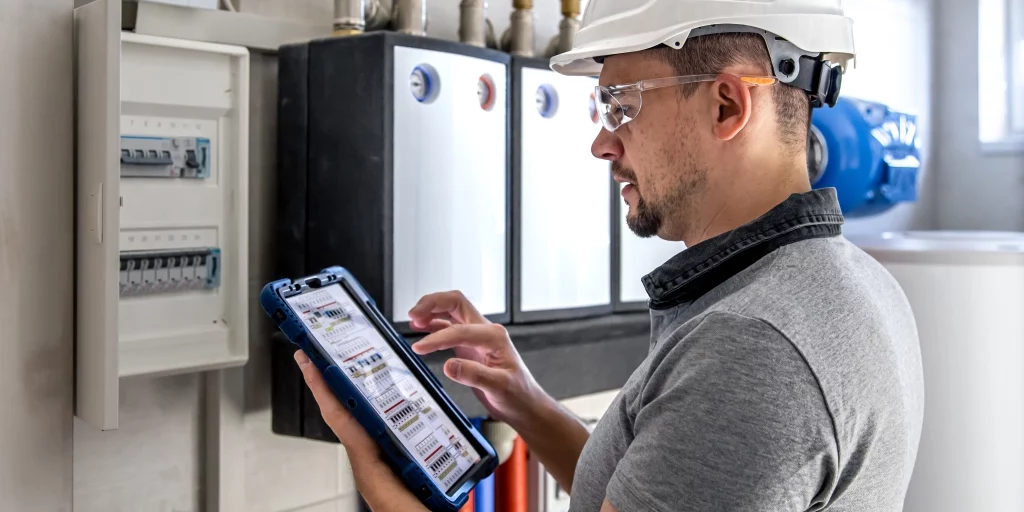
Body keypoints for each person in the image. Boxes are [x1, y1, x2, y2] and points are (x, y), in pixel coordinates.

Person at [293, 0, 925, 510]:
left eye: (622, 105)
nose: (602, 142)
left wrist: (377, 476)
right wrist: (527, 401)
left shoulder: (751, 348)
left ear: (727, 105)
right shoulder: (847, 281)